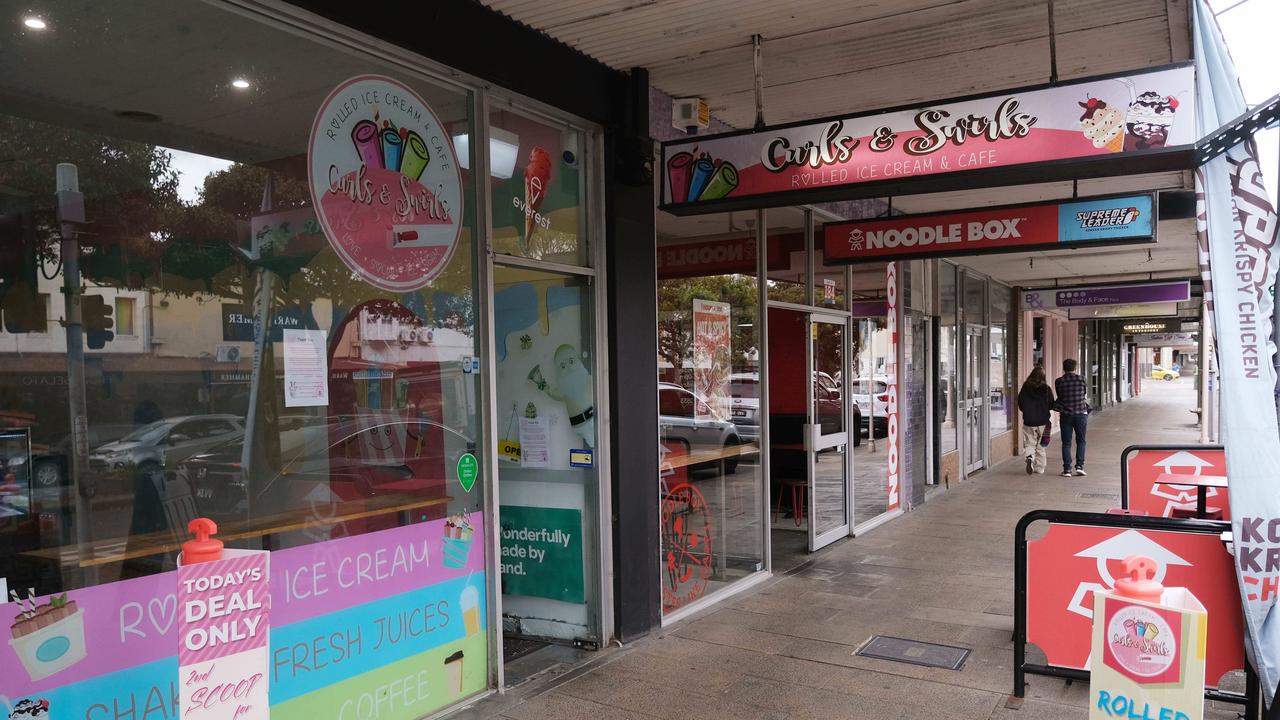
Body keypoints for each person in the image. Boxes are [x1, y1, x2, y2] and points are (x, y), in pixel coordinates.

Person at [1054, 358, 1090, 476]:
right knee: (1081, 441)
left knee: (1066, 442)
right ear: (1075, 367)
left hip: (1066, 415)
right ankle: (1080, 466)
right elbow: (1083, 393)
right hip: (1081, 414)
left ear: (1064, 368)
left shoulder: (1059, 381)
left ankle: (1067, 469)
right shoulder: (1082, 379)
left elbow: (1060, 396)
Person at [1017, 366, 1055, 475]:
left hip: (1029, 421)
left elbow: (1020, 403)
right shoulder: (1047, 389)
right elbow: (1051, 405)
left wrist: (1028, 411)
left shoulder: (1025, 387)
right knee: (1041, 445)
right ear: (1043, 376)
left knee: (1030, 443)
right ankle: (1040, 468)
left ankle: (1030, 458)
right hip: (1044, 421)